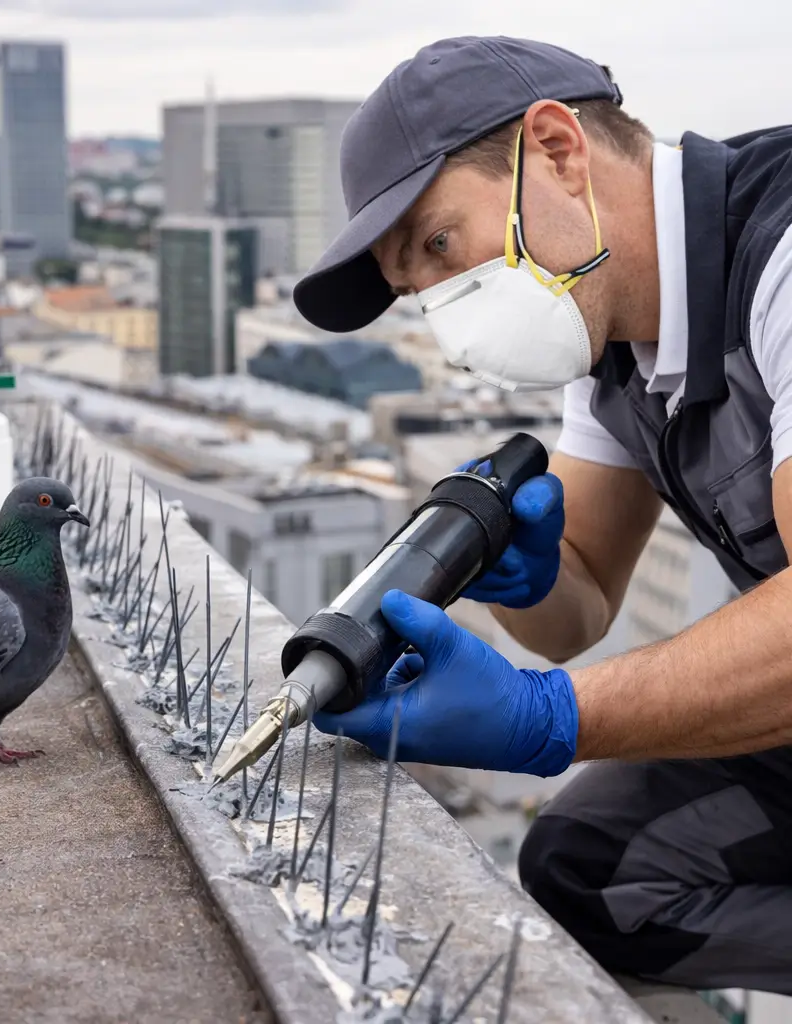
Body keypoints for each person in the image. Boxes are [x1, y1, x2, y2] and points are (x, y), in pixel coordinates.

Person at [291, 35, 792, 994]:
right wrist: (508, 569)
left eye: (441, 246)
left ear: (558, 149)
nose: (449, 318)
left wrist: (541, 716)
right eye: (418, 290)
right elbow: (580, 607)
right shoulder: (614, 334)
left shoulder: (779, 255)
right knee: (591, 870)